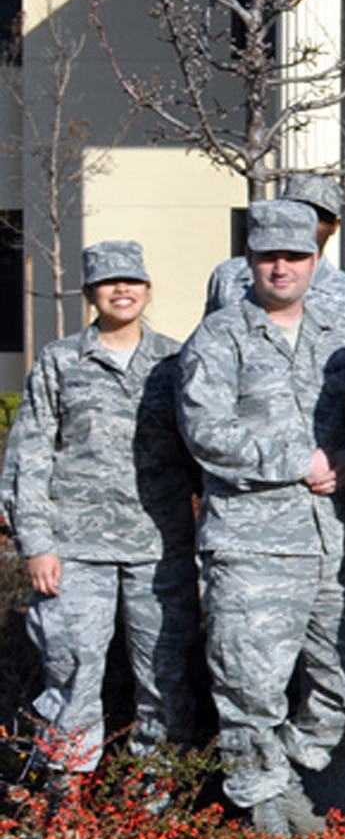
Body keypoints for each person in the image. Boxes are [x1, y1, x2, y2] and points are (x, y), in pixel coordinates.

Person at [179, 199, 345, 836]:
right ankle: (261, 812)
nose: (282, 268)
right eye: (269, 256)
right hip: (252, 540)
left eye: (295, 256)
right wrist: (298, 459)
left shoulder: (344, 337)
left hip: (336, 539)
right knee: (250, 683)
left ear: (315, 261)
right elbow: (204, 429)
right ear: (250, 261)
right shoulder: (219, 336)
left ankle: (283, 769)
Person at [2, 241, 201, 794]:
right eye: (110, 282)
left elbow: (201, 451)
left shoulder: (176, 360)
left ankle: (160, 784)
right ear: (91, 293)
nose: (122, 291)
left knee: (163, 668)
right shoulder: (62, 361)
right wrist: (36, 542)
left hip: (158, 543)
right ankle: (65, 784)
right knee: (73, 665)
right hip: (75, 546)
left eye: (132, 282)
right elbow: (30, 454)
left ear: (147, 290)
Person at [204, 172, 345, 325]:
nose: (306, 224)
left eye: (319, 217)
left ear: (334, 226)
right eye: (296, 213)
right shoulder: (230, 278)